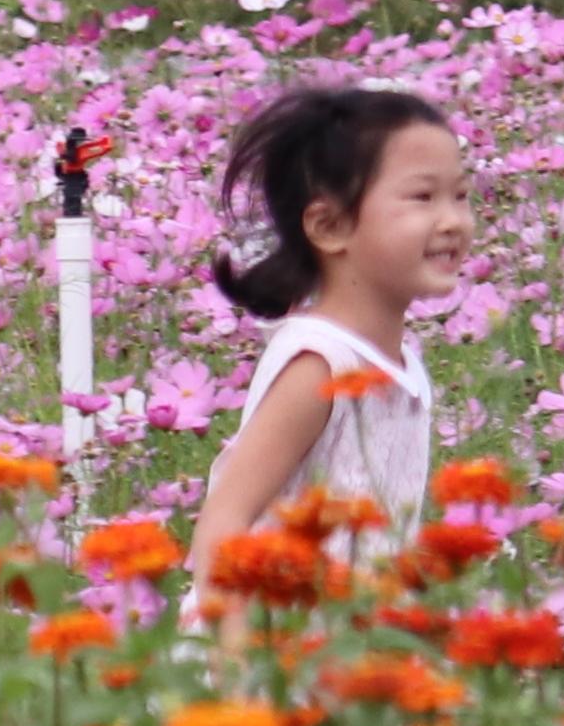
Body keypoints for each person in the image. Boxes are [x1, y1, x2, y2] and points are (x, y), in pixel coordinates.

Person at [185, 79, 468, 592]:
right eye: (423, 197)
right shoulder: (319, 364)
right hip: (277, 650)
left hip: (349, 646)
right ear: (330, 226)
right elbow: (223, 525)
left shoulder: (399, 362)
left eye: (461, 195)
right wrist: (236, 663)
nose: (453, 220)